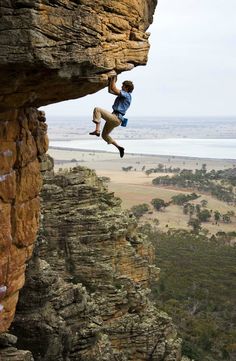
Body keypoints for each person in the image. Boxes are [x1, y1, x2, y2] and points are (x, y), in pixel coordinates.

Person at [89, 75, 134, 158]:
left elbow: (114, 88)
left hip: (115, 118)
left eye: (123, 86)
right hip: (116, 119)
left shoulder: (127, 95)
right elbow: (110, 90)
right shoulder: (124, 95)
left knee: (97, 109)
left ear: (127, 87)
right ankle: (119, 148)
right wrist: (111, 81)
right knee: (105, 136)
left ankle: (97, 130)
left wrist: (113, 77)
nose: (121, 87)